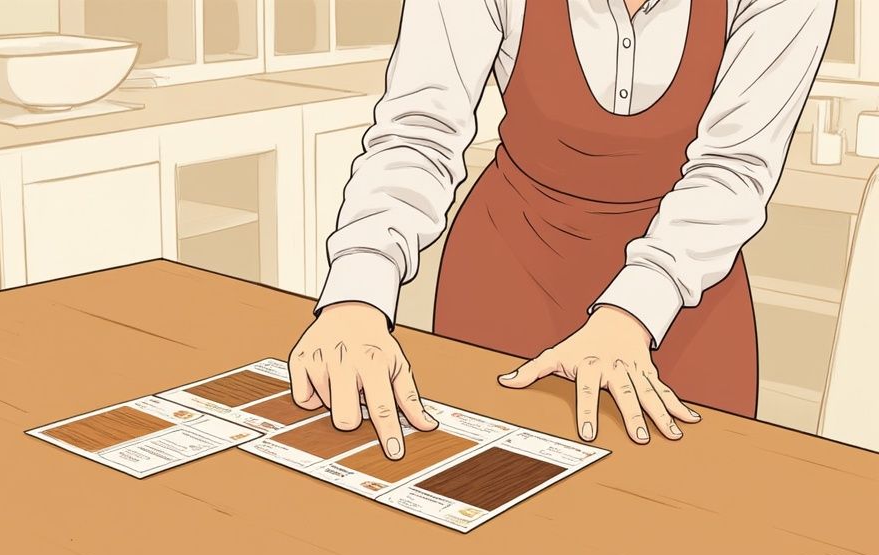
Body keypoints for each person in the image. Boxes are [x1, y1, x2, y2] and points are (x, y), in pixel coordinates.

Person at [288, 0, 836, 460]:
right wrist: (355, 298)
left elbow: (733, 168)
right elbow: (420, 131)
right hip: (510, 277)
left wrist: (632, 314)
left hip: (682, 297)